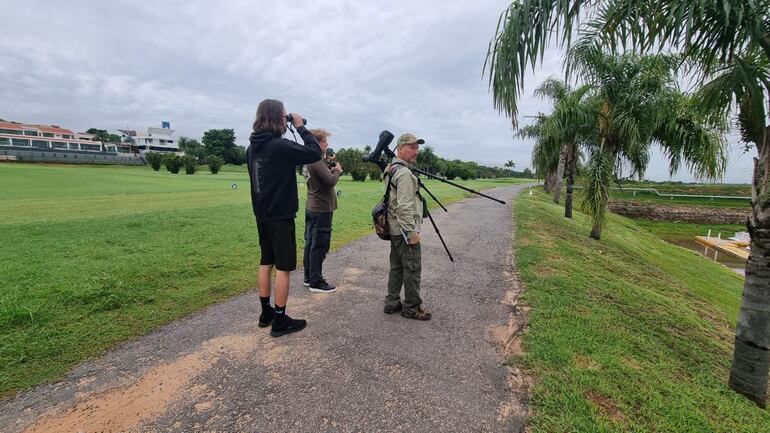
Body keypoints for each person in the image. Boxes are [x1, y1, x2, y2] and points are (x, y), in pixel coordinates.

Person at [247, 99, 322, 337]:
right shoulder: (279, 145)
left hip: (262, 213)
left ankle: (265, 312)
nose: (286, 119)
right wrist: (299, 126)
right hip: (281, 215)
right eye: (284, 115)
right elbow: (314, 152)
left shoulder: (252, 148)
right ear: (277, 118)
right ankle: (280, 319)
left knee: (265, 261)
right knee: (283, 267)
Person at [383, 133, 432, 320]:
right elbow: (404, 206)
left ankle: (392, 302)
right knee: (412, 268)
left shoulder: (392, 168)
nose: (416, 151)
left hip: (394, 228)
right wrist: (411, 232)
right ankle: (412, 307)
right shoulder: (403, 173)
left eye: (417, 148)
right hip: (404, 231)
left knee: (396, 266)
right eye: (412, 147)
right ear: (400, 149)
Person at [303, 129, 343, 293]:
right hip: (322, 209)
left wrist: (329, 168)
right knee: (319, 245)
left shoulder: (307, 159)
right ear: (317, 142)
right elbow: (329, 181)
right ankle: (316, 281)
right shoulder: (316, 159)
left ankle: (309, 277)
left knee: (310, 243)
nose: (327, 144)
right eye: (325, 141)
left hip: (312, 207)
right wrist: (337, 171)